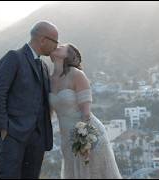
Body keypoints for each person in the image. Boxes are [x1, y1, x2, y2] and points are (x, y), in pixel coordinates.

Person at [0, 20, 58, 179]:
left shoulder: (44, 66)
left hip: (38, 139)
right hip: (13, 135)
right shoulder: (14, 57)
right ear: (43, 40)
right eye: (55, 42)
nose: (56, 46)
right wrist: (3, 129)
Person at [49, 43, 122, 179]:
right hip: (66, 140)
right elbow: (49, 113)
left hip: (88, 137)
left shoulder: (77, 75)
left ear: (69, 55)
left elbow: (86, 112)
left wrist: (85, 142)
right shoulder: (49, 80)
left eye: (63, 46)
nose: (58, 45)